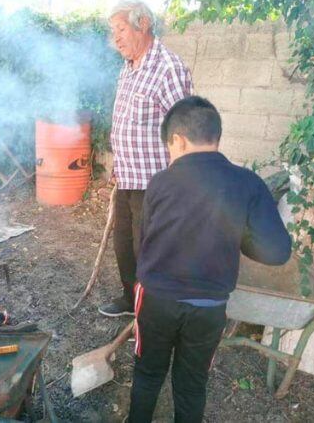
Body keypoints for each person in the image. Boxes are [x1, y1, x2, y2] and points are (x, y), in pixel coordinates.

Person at [128, 96, 292, 422]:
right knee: (191, 384)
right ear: (215, 137)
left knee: (148, 373)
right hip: (209, 307)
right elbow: (277, 252)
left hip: (157, 299)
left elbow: (143, 241)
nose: (170, 156)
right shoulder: (247, 183)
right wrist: (239, 237)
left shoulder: (160, 182)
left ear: (178, 140)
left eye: (169, 149)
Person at [99, 0, 194, 317]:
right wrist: (116, 166)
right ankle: (132, 300)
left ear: (143, 25)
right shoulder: (128, 69)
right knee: (124, 247)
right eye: (113, 31)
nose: (116, 38)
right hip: (127, 178)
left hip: (154, 184)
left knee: (152, 252)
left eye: (122, 29)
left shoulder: (168, 69)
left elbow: (186, 130)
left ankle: (155, 313)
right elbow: (126, 124)